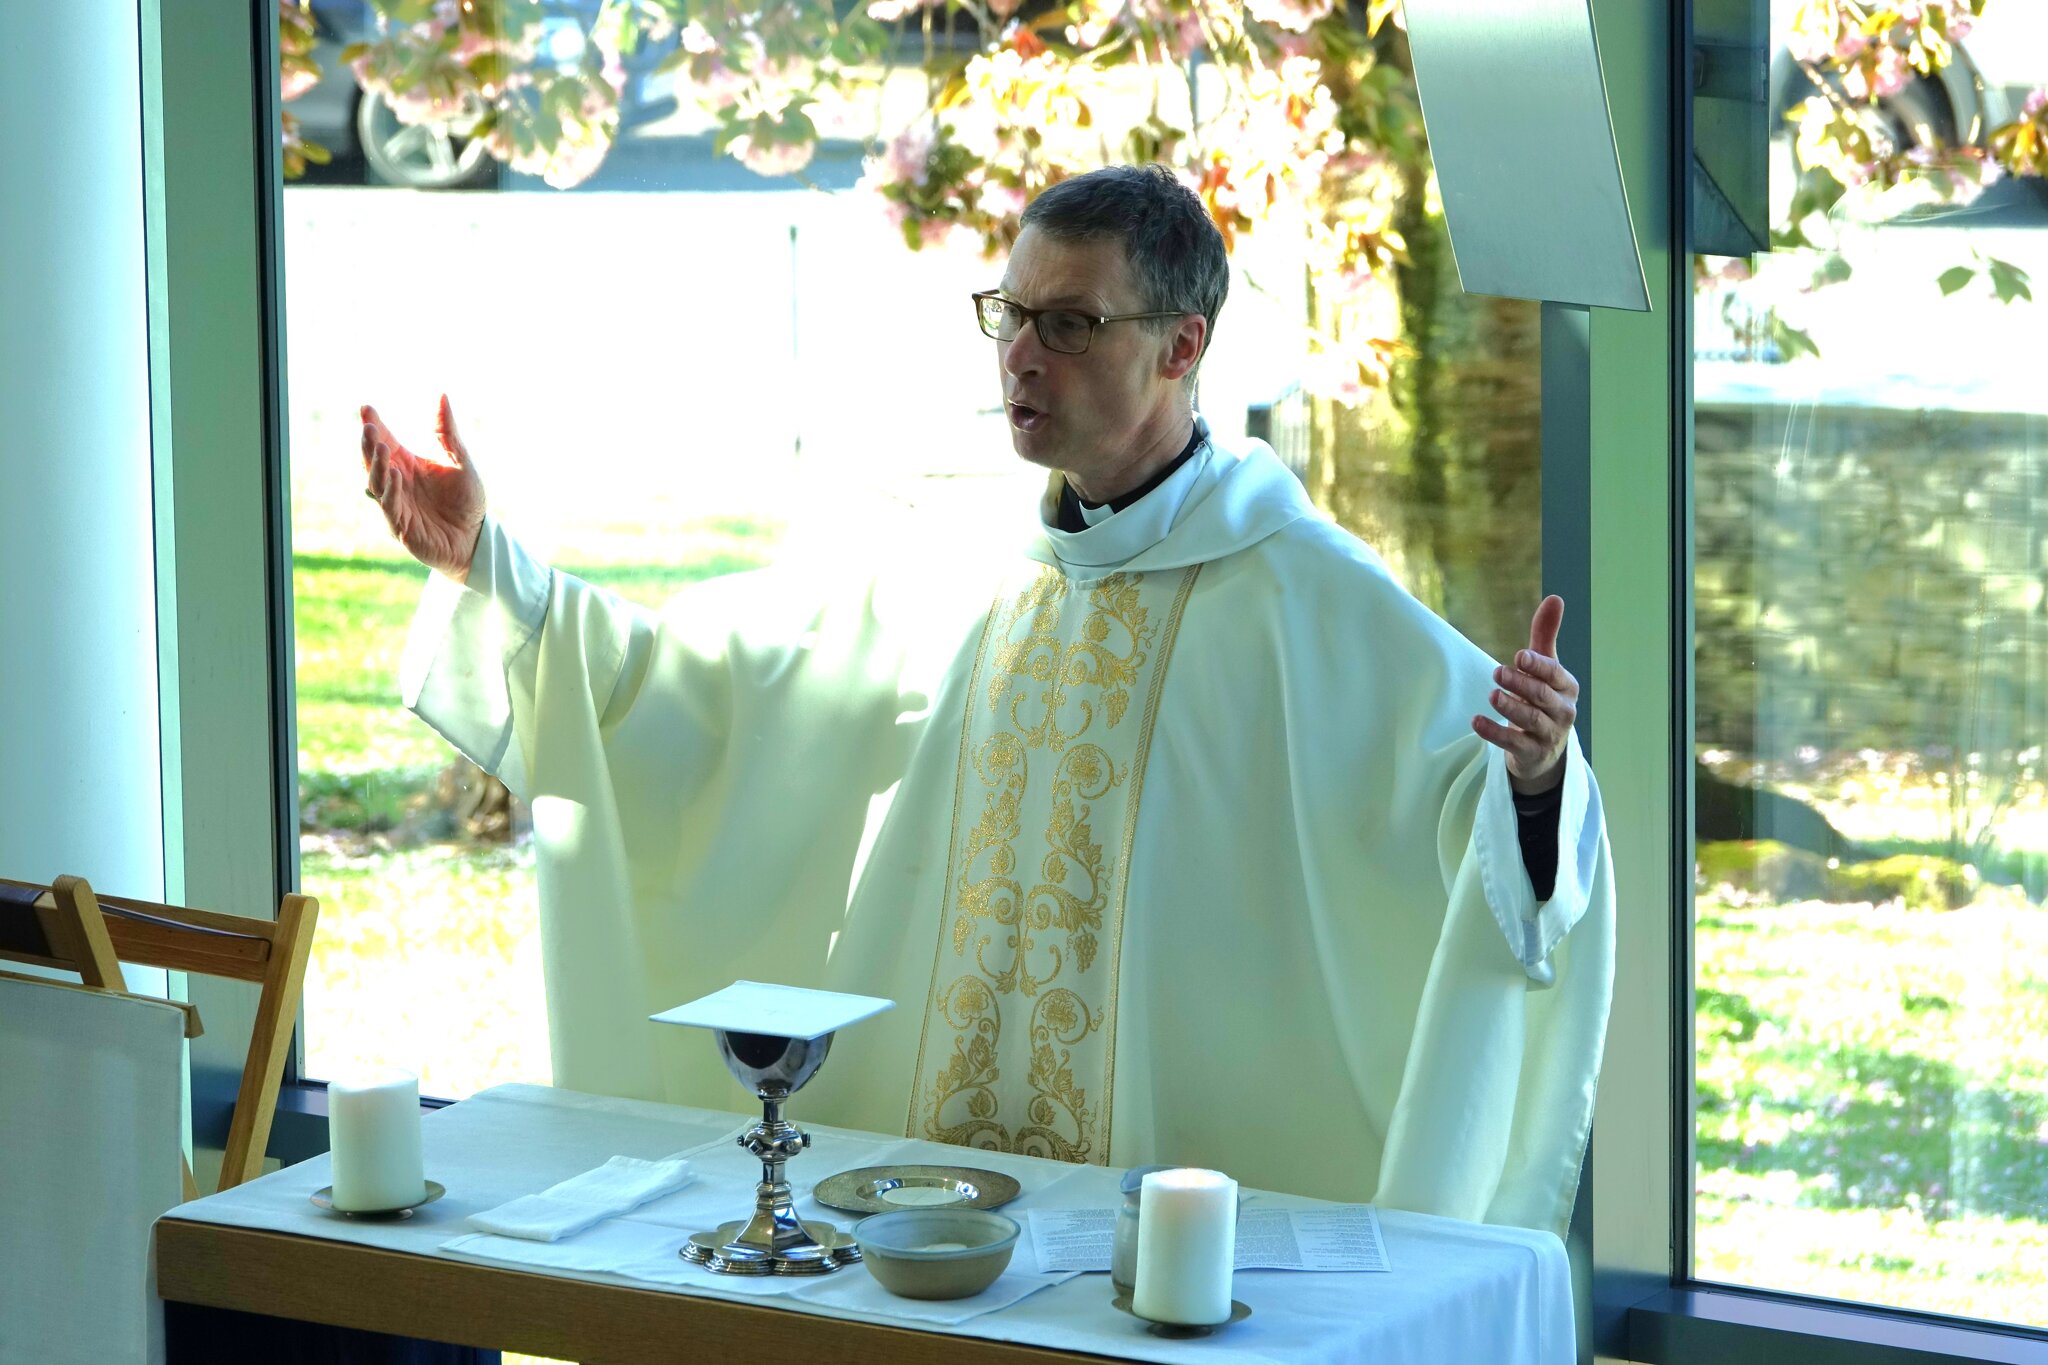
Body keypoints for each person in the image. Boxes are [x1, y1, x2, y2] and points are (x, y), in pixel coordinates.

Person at [360, 164, 1613, 1238]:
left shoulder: (1307, 597)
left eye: (1066, 325)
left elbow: (1487, 808)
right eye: (1007, 314)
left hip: (1175, 1218)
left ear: (1181, 347)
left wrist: (1537, 776)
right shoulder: (964, 564)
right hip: (925, 1205)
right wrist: (493, 571)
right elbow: (701, 690)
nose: (1018, 354)